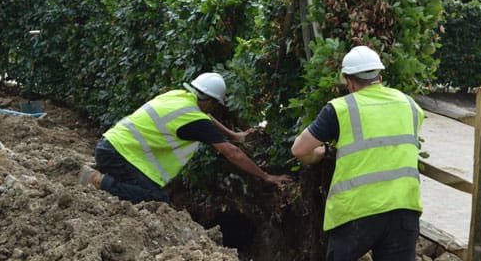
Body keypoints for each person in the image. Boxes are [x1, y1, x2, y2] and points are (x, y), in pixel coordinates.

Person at [291, 46, 424, 261]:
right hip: (404, 208)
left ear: (349, 81)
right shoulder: (410, 105)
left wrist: (320, 154)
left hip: (357, 212)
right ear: (379, 75)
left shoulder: (341, 109)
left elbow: (299, 149)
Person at [79, 72, 290, 202]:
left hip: (110, 147)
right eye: (215, 103)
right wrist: (266, 176)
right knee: (157, 198)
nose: (213, 108)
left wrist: (234, 135)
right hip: (121, 155)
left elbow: (205, 116)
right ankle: (98, 180)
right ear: (209, 101)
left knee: (147, 187)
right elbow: (232, 154)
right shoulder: (194, 120)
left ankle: (104, 168)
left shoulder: (178, 97)